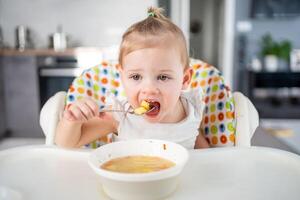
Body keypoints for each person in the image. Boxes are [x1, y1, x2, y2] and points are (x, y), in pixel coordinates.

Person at [55, 7, 210, 149]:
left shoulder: (191, 109)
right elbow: (67, 143)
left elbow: (201, 152)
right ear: (122, 77)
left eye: (163, 77)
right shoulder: (120, 116)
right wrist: (72, 121)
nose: (149, 89)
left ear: (184, 79)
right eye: (136, 76)